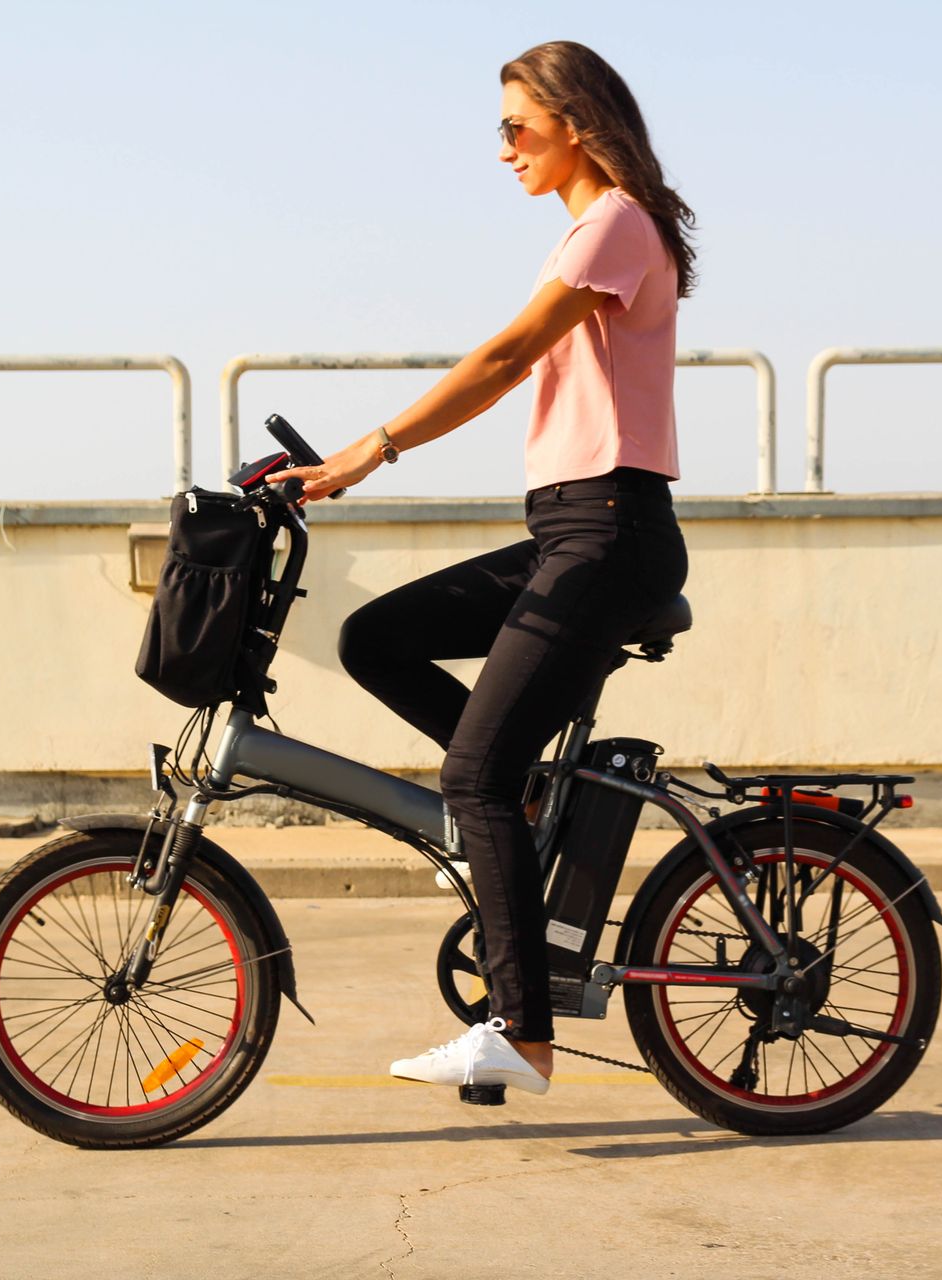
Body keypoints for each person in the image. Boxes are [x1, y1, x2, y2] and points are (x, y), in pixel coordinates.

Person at [265, 40, 695, 1096]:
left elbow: (503, 361)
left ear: (576, 123)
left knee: (471, 777)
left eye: (515, 126)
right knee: (379, 636)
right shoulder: (592, 231)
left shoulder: (616, 224)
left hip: (611, 531)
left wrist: (370, 451)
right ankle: (529, 805)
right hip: (571, 531)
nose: (502, 148)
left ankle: (522, 1032)